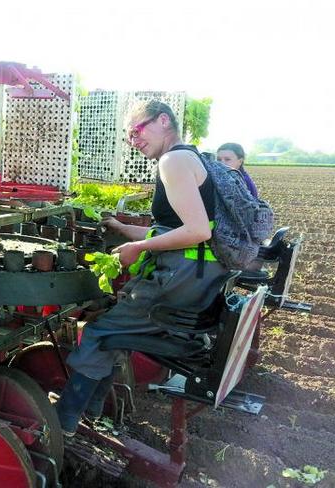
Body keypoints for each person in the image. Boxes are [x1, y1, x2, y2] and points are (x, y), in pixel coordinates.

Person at [55, 100, 229, 435]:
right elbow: (176, 230)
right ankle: (91, 409)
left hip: (178, 278)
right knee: (116, 333)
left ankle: (63, 421)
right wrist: (123, 228)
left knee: (98, 332)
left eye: (137, 130)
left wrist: (139, 246)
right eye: (128, 136)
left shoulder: (173, 160)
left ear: (164, 120)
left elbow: (197, 232)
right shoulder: (190, 156)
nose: (133, 140)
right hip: (196, 275)